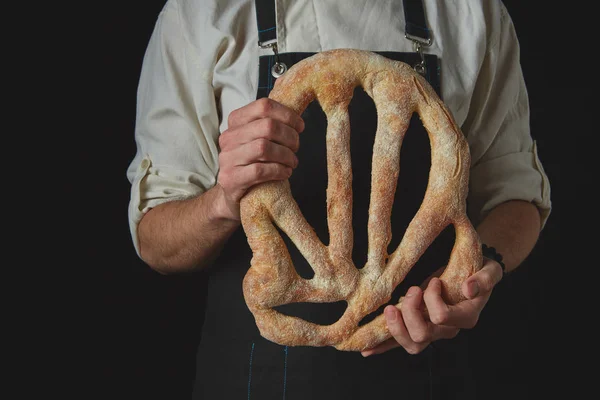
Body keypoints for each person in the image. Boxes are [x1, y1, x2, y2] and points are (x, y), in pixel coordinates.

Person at [126, 0, 551, 398]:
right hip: (257, 377)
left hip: (428, 370)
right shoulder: (204, 13)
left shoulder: (470, 12)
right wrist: (224, 199)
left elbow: (515, 196)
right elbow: (155, 241)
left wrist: (480, 269)